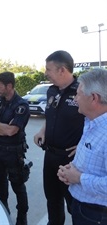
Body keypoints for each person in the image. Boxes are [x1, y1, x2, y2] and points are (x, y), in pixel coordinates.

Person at [33, 50, 85, 225]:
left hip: (73, 160)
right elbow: (51, 116)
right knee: (52, 200)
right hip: (51, 156)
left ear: (62, 70)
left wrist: (84, 145)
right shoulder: (51, 91)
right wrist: (42, 131)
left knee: (75, 205)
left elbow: (99, 120)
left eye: (49, 69)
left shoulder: (82, 90)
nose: (46, 73)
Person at [57, 68, 107, 225]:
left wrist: (78, 178)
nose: (75, 98)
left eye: (78, 94)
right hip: (84, 207)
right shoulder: (91, 122)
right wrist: (70, 171)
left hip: (97, 214)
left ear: (93, 98)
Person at [0, 72, 30, 225]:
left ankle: (22, 217)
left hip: (14, 153)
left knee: (18, 186)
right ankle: (4, 211)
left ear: (9, 86)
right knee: (0, 183)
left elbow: (12, 131)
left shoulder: (21, 105)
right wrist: (2, 127)